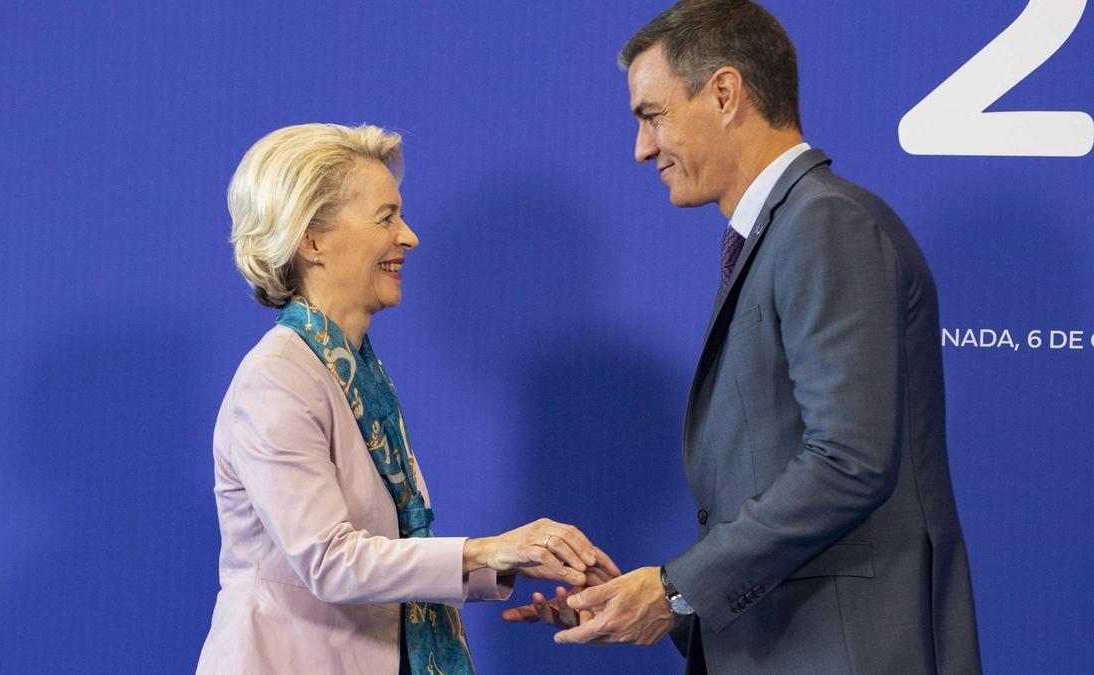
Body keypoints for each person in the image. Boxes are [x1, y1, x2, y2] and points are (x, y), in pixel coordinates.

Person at [503, 2, 982, 672]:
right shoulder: (782, 235)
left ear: (725, 93)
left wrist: (674, 588)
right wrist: (657, 600)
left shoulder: (826, 226)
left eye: (652, 115)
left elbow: (849, 459)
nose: (642, 149)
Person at [196, 123, 618, 674]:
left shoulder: (356, 373)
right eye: (386, 217)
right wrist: (486, 550)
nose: (409, 236)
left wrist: (514, 564)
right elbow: (330, 561)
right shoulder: (277, 378)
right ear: (311, 240)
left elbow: (387, 552)